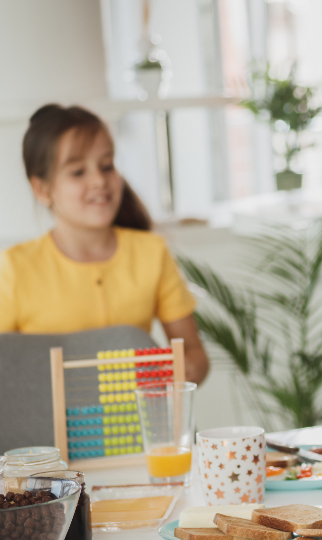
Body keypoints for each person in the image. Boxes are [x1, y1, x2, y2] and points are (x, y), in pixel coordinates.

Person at [0, 104, 209, 384]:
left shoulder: (151, 252)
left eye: (107, 166)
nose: (99, 180)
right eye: (77, 172)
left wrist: (183, 373)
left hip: (140, 425)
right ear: (42, 189)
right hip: (44, 428)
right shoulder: (14, 268)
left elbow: (193, 351)